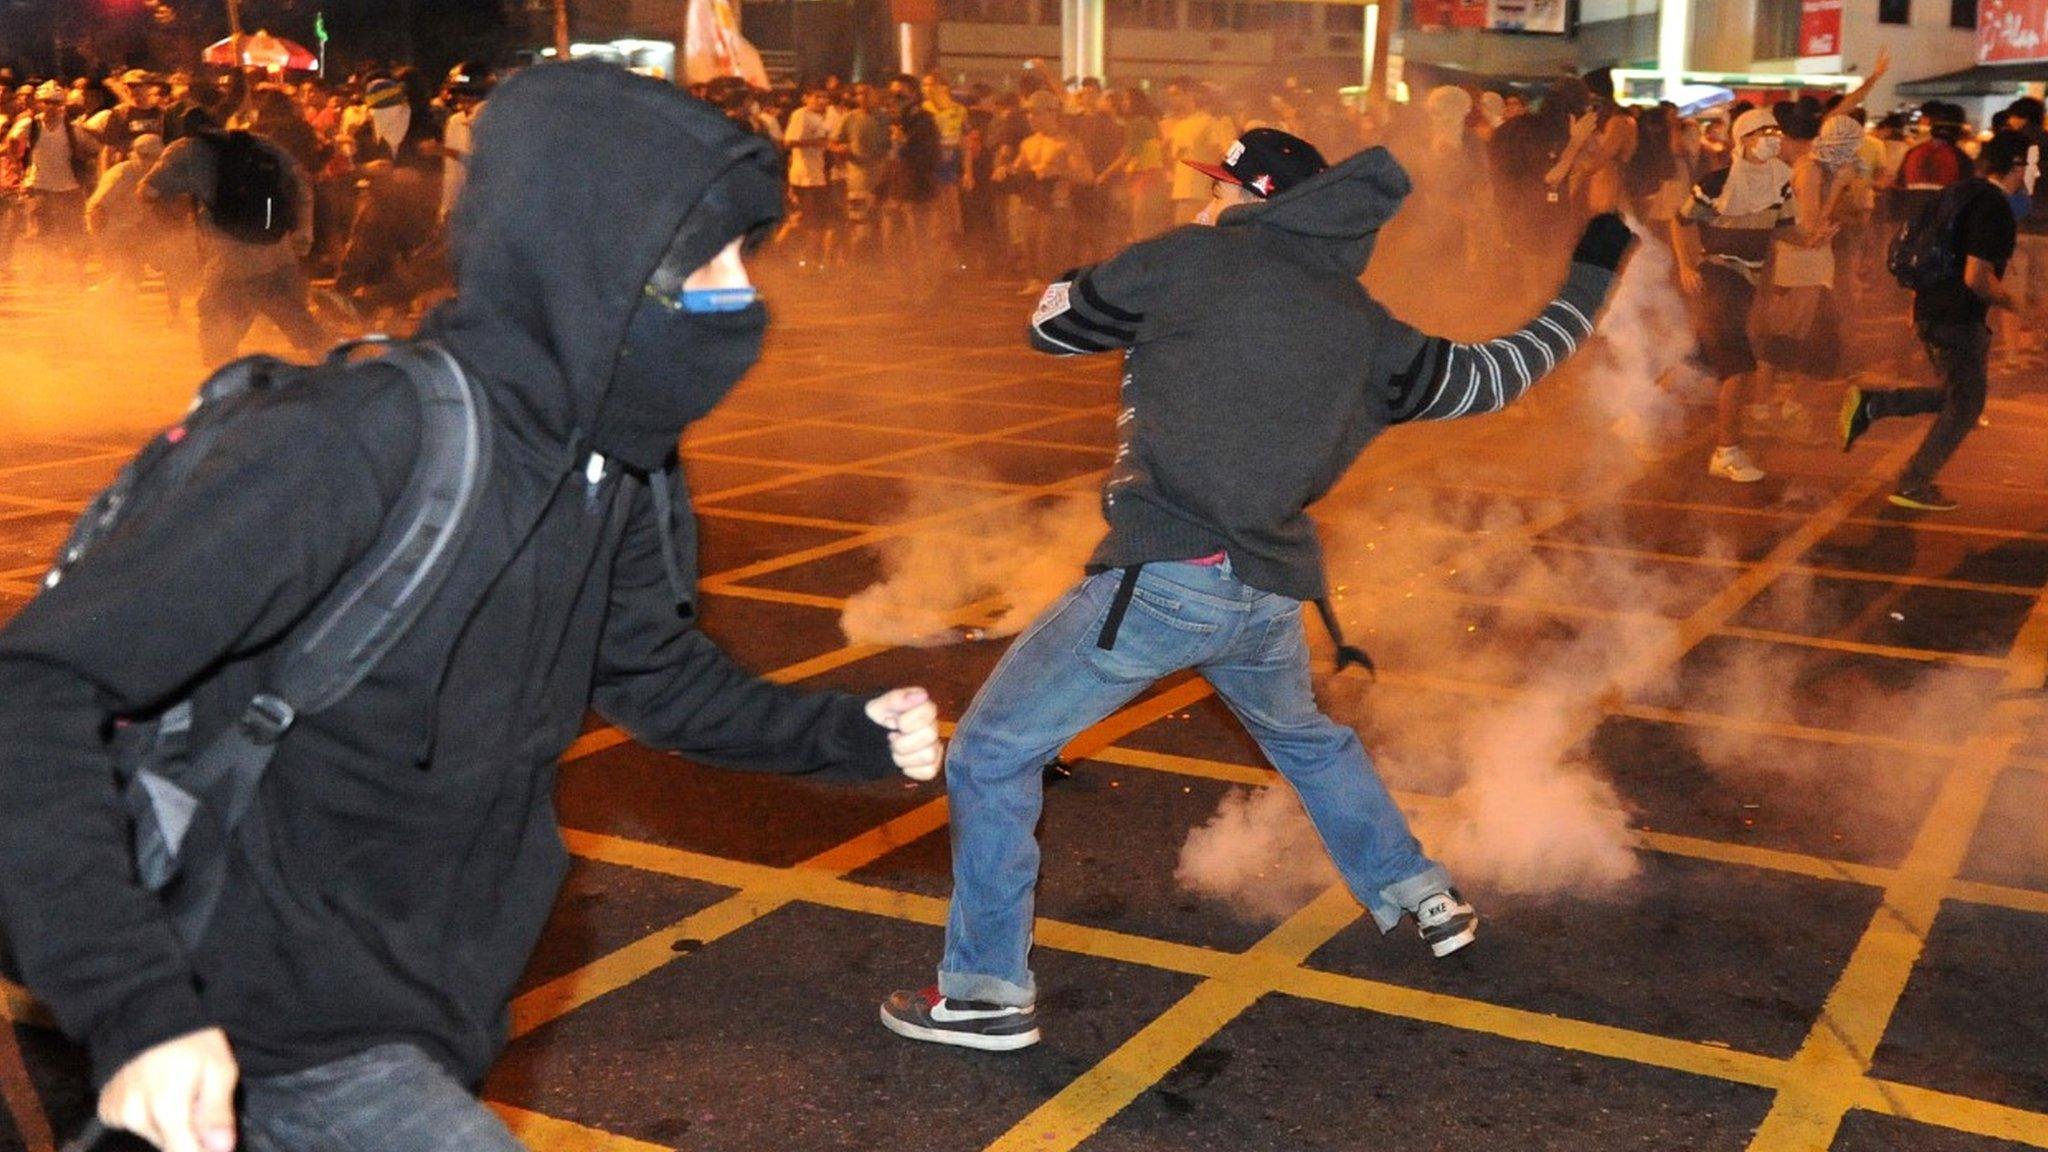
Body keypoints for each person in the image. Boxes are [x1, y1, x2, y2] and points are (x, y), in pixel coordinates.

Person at [0, 62, 945, 1152]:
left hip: (429, 1004)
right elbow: (36, 688)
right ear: (594, 256)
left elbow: (646, 670)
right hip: (256, 1016)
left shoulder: (613, 463)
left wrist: (840, 734)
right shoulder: (360, 438)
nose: (741, 299)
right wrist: (139, 1011)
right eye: (709, 263)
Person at [879, 127, 1633, 1051]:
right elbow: (1499, 372)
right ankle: (1418, 890)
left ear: (1255, 197)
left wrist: (1123, 270)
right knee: (1307, 739)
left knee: (991, 754)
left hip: (1164, 582)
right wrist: (1591, 273)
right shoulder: (1362, 323)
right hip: (1264, 593)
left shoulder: (1196, 259)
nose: (1201, 200)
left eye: (1217, 187)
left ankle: (988, 992)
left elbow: (1050, 325)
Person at [1841, 131, 2046, 512]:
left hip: (1934, 310)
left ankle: (1872, 405)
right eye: (2032, 168)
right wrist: (2023, 307)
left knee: (1962, 398)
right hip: (1956, 317)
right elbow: (1976, 278)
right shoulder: (1994, 208)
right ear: (2017, 167)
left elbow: (1933, 251)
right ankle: (1913, 481)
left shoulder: (1959, 193)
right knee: (1966, 404)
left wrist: (1917, 307)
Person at [140, 124, 328, 365]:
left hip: (232, 257)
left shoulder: (185, 148)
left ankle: (225, 389)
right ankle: (344, 375)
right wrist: (304, 233)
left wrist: (173, 218)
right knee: (295, 317)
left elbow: (147, 191)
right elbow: (301, 180)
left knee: (215, 324)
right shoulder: (261, 143)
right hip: (279, 251)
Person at [1674, 107, 1792, 483]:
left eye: (1775, 132)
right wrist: (1686, 265)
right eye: (1763, 133)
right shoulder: (1716, 183)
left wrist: (1814, 237)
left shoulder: (1778, 184)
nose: (1773, 139)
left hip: (1747, 283)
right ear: (1742, 140)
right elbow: (1680, 222)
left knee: (1700, 359)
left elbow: (1784, 233)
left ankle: (1634, 416)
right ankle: (1726, 451)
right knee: (1739, 367)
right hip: (1718, 277)